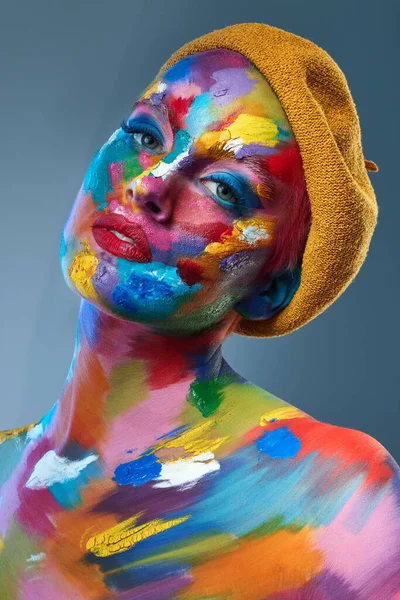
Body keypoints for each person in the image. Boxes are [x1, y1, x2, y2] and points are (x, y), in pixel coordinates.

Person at [0, 22, 398, 600]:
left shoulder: (332, 501)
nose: (152, 185)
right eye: (144, 135)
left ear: (272, 286)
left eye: (225, 189)